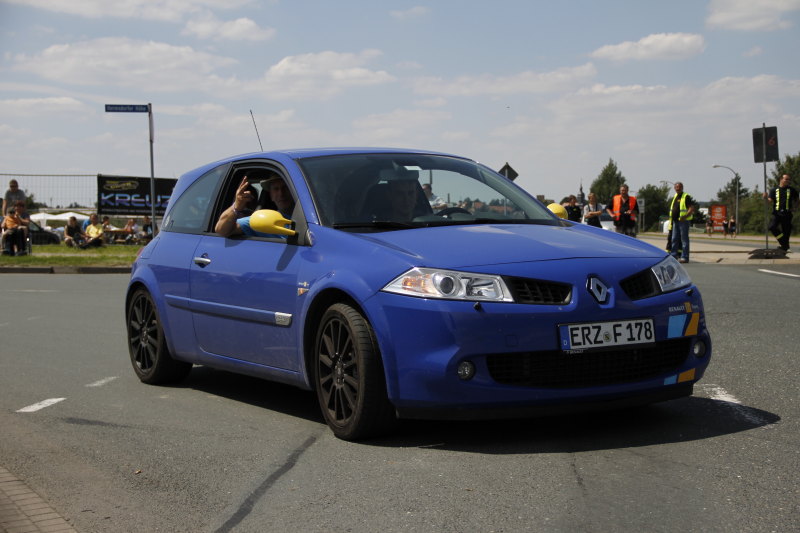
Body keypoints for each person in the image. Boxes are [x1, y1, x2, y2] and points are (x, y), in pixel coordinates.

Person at [216, 174, 294, 238]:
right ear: (271, 195)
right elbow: (221, 230)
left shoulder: (302, 216)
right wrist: (236, 207)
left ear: (293, 190)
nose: (281, 193)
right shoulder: (262, 220)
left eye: (285, 187)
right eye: (276, 189)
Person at [763, 174, 799, 253]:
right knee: (772, 227)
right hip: (777, 213)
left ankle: (784, 247)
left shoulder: (791, 189)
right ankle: (784, 243)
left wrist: (795, 208)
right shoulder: (774, 190)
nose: (788, 181)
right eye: (786, 179)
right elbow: (769, 201)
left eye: (789, 179)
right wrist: (765, 198)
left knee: (786, 232)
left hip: (787, 214)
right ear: (781, 179)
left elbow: (797, 199)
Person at [668, 182, 696, 263]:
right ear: (674, 188)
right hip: (675, 221)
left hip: (683, 221)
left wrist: (685, 217)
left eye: (679, 187)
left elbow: (691, 208)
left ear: (682, 188)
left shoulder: (686, 196)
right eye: (676, 187)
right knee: (674, 239)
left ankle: (685, 257)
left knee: (684, 239)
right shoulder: (675, 196)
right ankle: (673, 255)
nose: (678, 188)